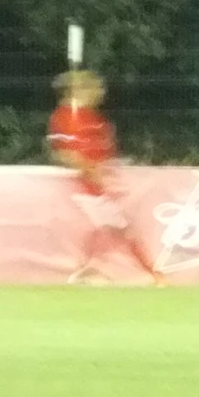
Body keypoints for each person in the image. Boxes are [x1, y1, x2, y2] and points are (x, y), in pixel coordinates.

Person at [46, 69, 162, 285]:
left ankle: (87, 270)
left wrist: (108, 171)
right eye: (96, 88)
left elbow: (106, 153)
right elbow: (66, 153)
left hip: (100, 185)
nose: (101, 93)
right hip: (82, 187)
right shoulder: (64, 116)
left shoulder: (97, 120)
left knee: (111, 228)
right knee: (118, 228)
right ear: (80, 90)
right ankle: (149, 274)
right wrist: (90, 172)